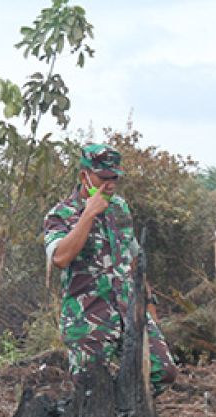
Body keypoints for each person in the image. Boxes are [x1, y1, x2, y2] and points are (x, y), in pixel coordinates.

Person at [43, 144, 178, 396]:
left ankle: (122, 415)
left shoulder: (120, 208)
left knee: (164, 371)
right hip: (89, 317)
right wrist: (88, 215)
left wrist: (149, 308)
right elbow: (60, 258)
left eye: (115, 177)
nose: (111, 184)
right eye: (103, 178)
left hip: (129, 309)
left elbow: (134, 258)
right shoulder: (60, 214)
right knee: (89, 390)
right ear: (84, 176)